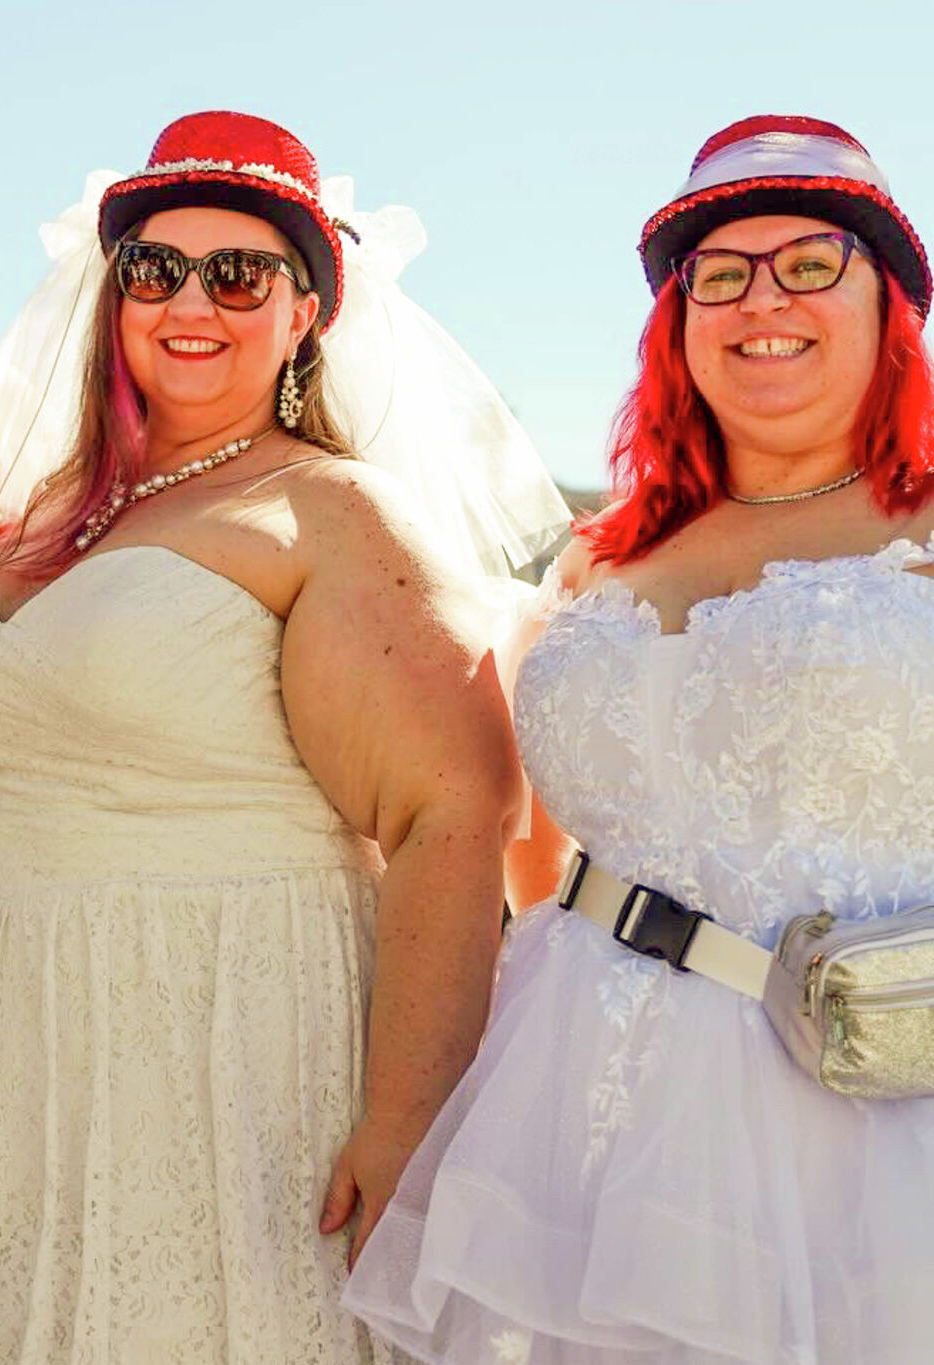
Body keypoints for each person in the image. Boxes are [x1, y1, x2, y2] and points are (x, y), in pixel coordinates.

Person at [0, 111, 558, 1364]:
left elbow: (453, 813)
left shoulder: (325, 509)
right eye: (154, 270)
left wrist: (404, 1120)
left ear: (305, 312)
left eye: (240, 274)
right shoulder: (48, 513)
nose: (190, 302)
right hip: (5, 1019)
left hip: (232, 1029)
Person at [344, 114, 934, 1364]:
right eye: (717, 273)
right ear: (676, 326)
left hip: (860, 1126)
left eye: (810, 260)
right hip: (569, 1108)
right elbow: (528, 848)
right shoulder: (599, 551)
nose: (759, 296)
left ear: (892, 304)